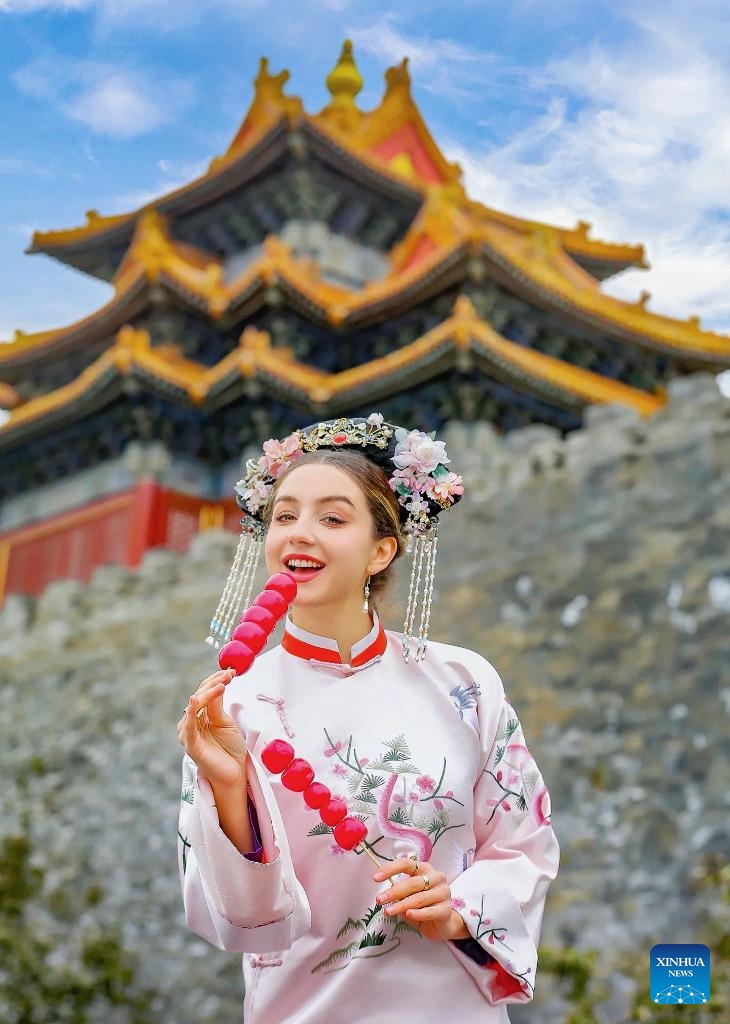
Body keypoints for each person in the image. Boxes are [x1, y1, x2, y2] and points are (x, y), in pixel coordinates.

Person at [177, 415, 559, 1024]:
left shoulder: (464, 682)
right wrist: (225, 785)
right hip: (302, 1008)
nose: (299, 535)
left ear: (382, 550)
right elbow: (242, 921)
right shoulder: (234, 706)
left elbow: (523, 842)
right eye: (284, 516)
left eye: (331, 518)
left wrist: (459, 908)